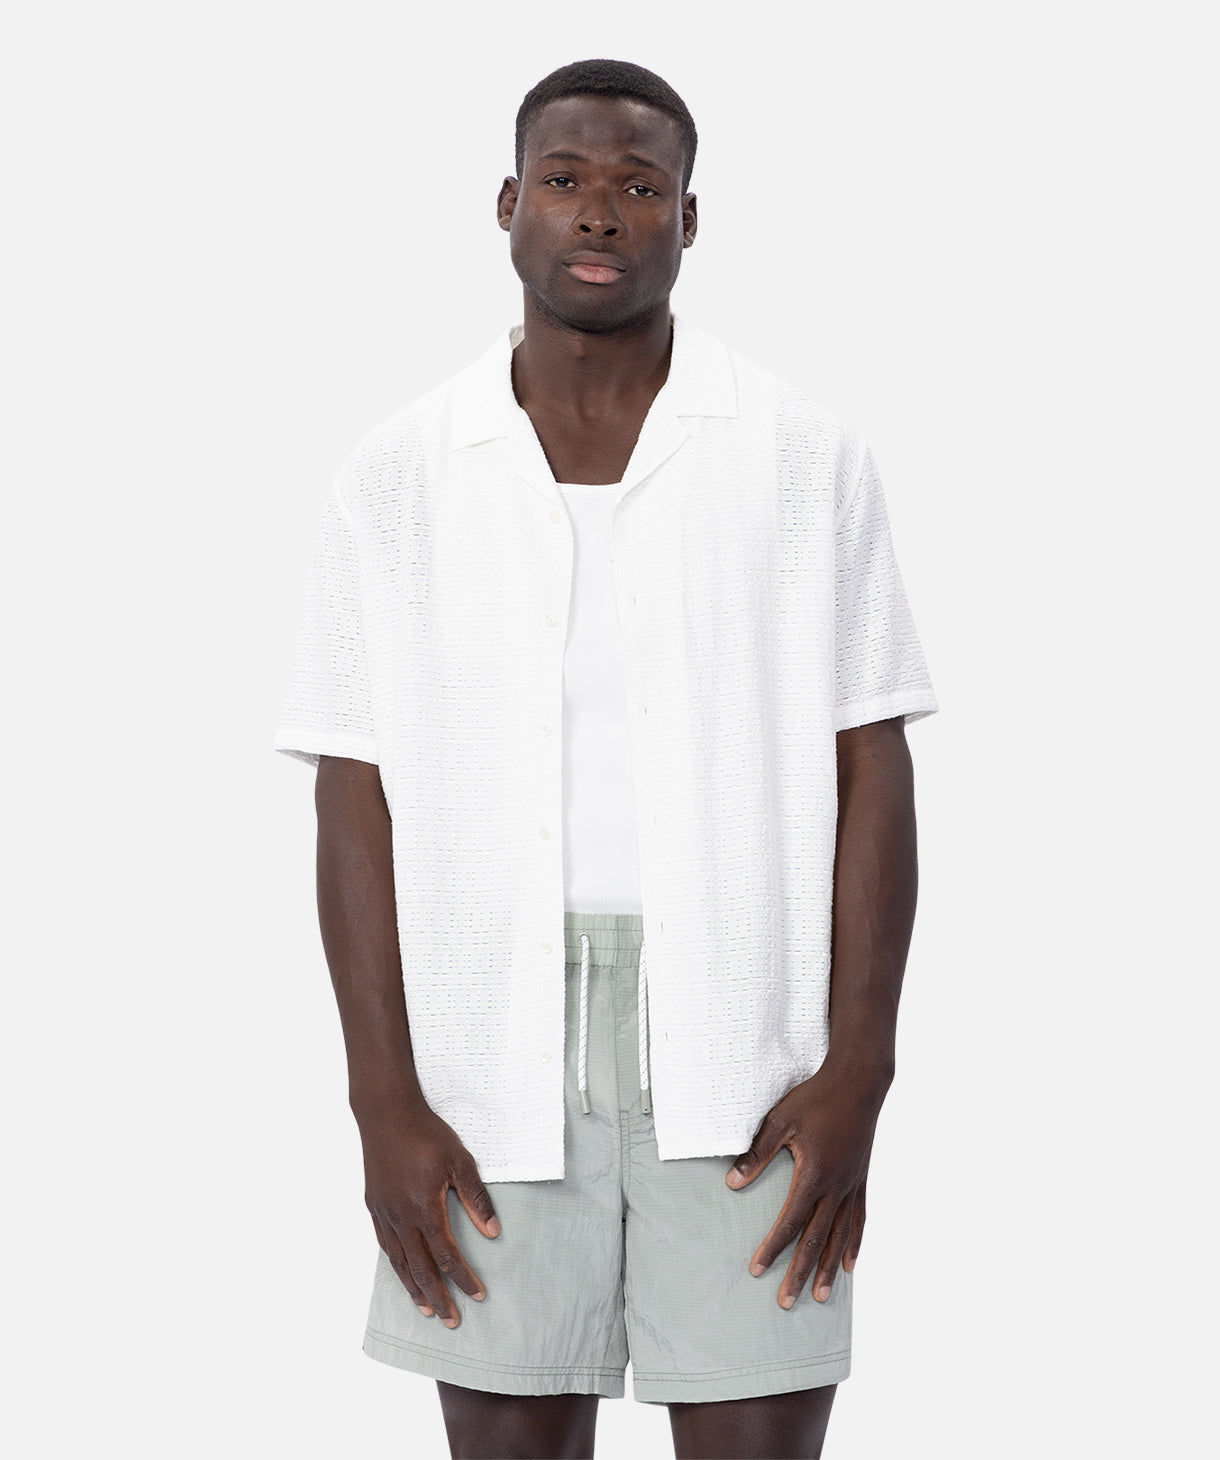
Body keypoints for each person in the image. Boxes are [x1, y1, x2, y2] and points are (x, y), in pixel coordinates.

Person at [274, 57, 938, 1460]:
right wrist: (382, 1098)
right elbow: (353, 793)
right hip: (485, 1052)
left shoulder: (801, 458)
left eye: (641, 187)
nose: (598, 213)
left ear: (689, 221)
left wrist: (862, 1066)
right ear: (508, 205)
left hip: (749, 1041)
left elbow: (871, 760)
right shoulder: (399, 474)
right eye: (565, 180)